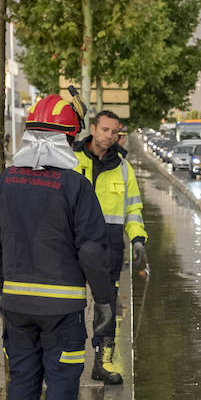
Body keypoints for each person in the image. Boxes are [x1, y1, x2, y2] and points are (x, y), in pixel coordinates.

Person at [0, 92, 111, 400]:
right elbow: (90, 249)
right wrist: (105, 299)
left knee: (22, 376)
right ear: (69, 140)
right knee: (61, 379)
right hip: (61, 310)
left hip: (17, 307)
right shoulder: (75, 185)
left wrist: (4, 290)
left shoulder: (7, 181)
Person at [74, 110, 147, 385]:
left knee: (106, 306)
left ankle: (102, 363)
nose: (110, 136)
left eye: (115, 131)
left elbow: (134, 209)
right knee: (70, 305)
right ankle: (65, 362)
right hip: (72, 245)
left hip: (109, 248)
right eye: (105, 129)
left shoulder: (123, 168)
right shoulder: (72, 159)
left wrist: (138, 238)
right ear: (93, 129)